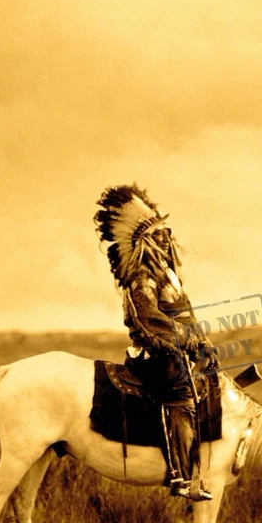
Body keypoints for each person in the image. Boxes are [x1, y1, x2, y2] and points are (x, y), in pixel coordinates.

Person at [94, 184, 215, 500]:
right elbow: (148, 319)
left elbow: (183, 316)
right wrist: (186, 342)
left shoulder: (167, 275)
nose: (167, 237)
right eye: (159, 233)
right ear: (146, 240)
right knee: (181, 393)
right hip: (155, 352)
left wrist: (201, 341)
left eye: (167, 232)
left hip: (177, 346)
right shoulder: (141, 277)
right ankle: (181, 477)